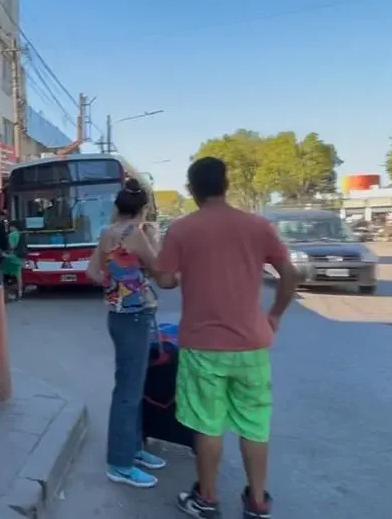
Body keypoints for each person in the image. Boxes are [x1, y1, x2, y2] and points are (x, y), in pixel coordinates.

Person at [152, 157, 296, 519]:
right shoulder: (257, 226)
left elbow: (166, 281)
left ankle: (208, 498)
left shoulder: (182, 230)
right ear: (226, 184)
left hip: (203, 346)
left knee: (207, 423)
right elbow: (289, 274)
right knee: (254, 424)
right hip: (252, 345)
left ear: (192, 189)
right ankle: (257, 502)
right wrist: (275, 313)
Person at [86, 178, 168, 489]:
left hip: (119, 315)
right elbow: (161, 270)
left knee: (130, 386)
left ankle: (132, 449)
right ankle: (120, 463)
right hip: (134, 316)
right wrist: (136, 277)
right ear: (143, 209)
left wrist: (117, 281)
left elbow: (93, 272)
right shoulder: (136, 235)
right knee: (129, 392)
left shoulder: (107, 233)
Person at [1, 221, 25, 301]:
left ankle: (2, 290)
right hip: (19, 257)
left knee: (0, 270)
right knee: (18, 276)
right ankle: (20, 293)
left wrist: (5, 253)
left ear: (13, 227)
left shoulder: (11, 235)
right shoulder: (20, 234)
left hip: (11, 257)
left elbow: (11, 246)